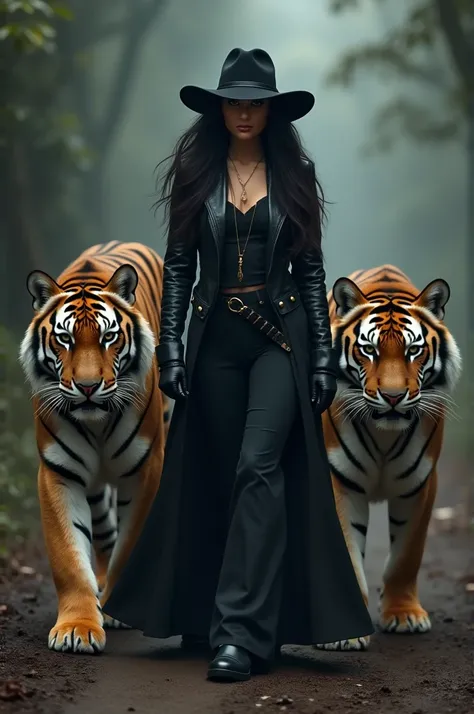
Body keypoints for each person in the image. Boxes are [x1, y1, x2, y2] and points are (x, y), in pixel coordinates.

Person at [103, 47, 373, 682]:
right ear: (220, 108)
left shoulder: (294, 174)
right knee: (222, 475)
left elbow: (311, 273)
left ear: (271, 111)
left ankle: (241, 635)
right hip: (213, 340)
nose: (245, 112)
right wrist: (169, 349)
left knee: (259, 468)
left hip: (279, 341)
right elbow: (176, 270)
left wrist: (324, 357)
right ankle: (237, 619)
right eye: (235, 101)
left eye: (256, 102)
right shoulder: (198, 172)